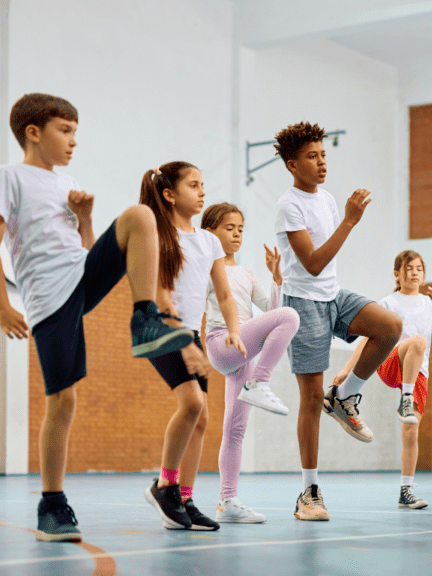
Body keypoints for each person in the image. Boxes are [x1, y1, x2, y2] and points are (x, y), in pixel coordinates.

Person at [0, 93, 194, 542]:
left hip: (78, 275)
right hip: (47, 298)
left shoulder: (67, 183)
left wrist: (85, 220)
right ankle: (52, 505)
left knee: (139, 215)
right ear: (33, 132)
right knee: (64, 401)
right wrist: (1, 304)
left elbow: (85, 248)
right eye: (65, 130)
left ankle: (144, 317)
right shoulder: (9, 176)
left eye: (75, 131)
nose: (74, 140)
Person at [273, 121, 402, 521]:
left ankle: (344, 396)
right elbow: (311, 265)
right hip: (304, 302)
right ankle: (309, 494)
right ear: (293, 165)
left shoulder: (327, 199)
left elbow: (325, 271)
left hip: (334, 295)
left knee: (390, 327)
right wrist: (349, 221)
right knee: (309, 400)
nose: (321, 162)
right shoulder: (288, 205)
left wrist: (343, 216)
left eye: (324, 155)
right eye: (312, 157)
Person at [138, 162, 247, 531]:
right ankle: (165, 484)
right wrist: (182, 340)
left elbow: (225, 294)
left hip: (191, 332)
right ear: (169, 194)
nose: (203, 192)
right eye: (194, 185)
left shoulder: (209, 241)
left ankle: (184, 497)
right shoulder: (158, 233)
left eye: (203, 185)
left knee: (201, 419)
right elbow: (159, 290)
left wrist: (234, 330)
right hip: (160, 328)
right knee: (192, 403)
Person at [200, 202, 301, 523]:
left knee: (235, 429)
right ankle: (260, 382)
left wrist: (277, 279)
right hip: (222, 342)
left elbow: (271, 309)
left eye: (240, 229)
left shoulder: (246, 273)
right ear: (210, 232)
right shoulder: (206, 268)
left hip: (244, 351)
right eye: (229, 228)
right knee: (290, 316)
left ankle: (227, 501)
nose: (236, 234)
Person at [334, 250, 432, 509]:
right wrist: (347, 368)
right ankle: (406, 398)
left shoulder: (428, 304)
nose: (415, 272)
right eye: (409, 268)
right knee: (419, 341)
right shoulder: (388, 303)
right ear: (397, 274)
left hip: (417, 371)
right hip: (391, 364)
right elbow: (367, 338)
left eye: (419, 268)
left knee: (411, 432)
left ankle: (406, 490)